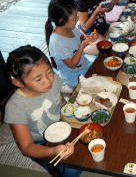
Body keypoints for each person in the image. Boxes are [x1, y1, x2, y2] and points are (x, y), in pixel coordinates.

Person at [4, 45, 81, 177]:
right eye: (38, 79)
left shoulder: (54, 80)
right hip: (39, 143)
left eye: (49, 71)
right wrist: (53, 150)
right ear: (18, 83)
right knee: (68, 169)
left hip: (62, 126)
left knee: (81, 157)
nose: (48, 80)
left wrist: (70, 109)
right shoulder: (15, 107)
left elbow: (60, 101)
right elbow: (26, 147)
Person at [45, 0, 97, 90]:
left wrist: (89, 39)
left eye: (77, 14)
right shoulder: (57, 42)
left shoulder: (71, 28)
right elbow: (72, 65)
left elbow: (81, 40)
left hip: (85, 66)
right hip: (74, 77)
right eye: (75, 17)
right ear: (62, 20)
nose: (78, 18)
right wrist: (82, 46)